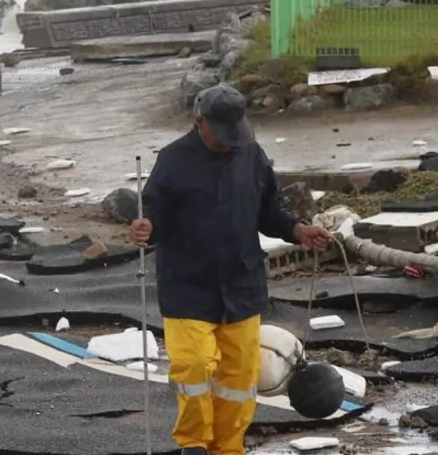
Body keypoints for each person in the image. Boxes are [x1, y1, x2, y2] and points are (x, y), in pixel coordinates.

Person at [129, 84, 333, 455]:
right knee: (193, 367)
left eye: (235, 133)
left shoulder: (251, 155)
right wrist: (147, 228)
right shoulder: (173, 160)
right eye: (222, 134)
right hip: (187, 286)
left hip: (241, 285)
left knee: (239, 378)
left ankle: (228, 448)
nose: (230, 142)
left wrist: (298, 230)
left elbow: (269, 212)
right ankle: (193, 444)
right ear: (198, 121)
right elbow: (153, 212)